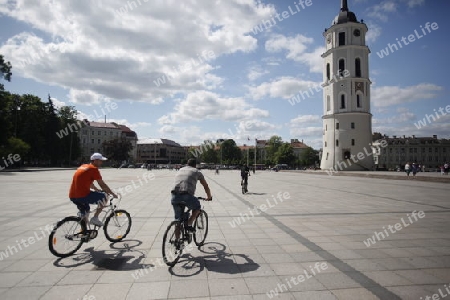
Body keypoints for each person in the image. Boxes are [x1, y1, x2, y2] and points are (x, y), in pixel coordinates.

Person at [69, 153, 118, 227]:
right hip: (82, 195)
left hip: (72, 196)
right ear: (95, 161)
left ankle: (84, 232)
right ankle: (95, 218)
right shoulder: (94, 169)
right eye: (100, 161)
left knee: (86, 211)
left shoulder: (83, 166)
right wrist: (112, 194)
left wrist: (96, 189)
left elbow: (89, 183)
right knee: (104, 197)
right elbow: (102, 185)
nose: (102, 162)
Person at [171, 159, 212, 231]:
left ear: (187, 164)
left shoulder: (180, 169)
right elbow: (205, 186)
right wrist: (209, 196)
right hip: (186, 195)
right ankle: (189, 223)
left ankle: (176, 240)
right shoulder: (196, 171)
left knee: (178, 220)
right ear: (195, 165)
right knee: (197, 206)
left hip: (174, 195)